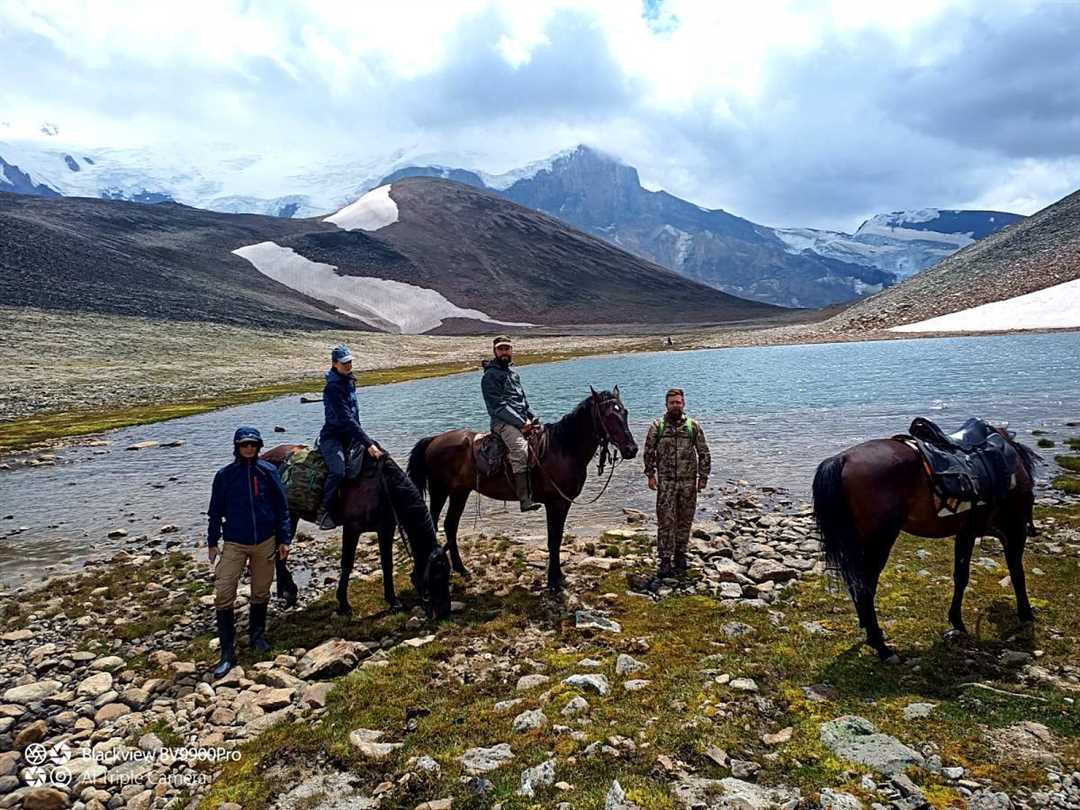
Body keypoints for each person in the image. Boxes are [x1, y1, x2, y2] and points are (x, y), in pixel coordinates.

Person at [207, 426, 292, 679]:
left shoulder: (268, 472)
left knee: (261, 591)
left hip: (266, 541)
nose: (248, 449)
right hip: (234, 542)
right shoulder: (224, 476)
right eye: (244, 445)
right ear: (237, 447)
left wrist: (284, 539)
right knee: (224, 593)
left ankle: (257, 637)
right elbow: (214, 512)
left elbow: (282, 507)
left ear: (258, 447)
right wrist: (212, 542)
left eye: (253, 445)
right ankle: (227, 652)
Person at [642, 389, 711, 579]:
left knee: (685, 521)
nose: (675, 405)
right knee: (665, 521)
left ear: (683, 404)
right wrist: (650, 475)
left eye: (678, 402)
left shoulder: (692, 426)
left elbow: (703, 452)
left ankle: (680, 556)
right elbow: (649, 452)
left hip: (688, 483)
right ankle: (664, 559)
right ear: (666, 405)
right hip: (666, 484)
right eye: (672, 402)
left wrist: (703, 477)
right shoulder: (658, 427)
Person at [316, 344, 384, 530]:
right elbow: (346, 419)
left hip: (352, 437)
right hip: (333, 437)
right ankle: (325, 510)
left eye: (350, 362)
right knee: (338, 471)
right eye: (344, 363)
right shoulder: (332, 388)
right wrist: (367, 443)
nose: (348, 365)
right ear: (334, 364)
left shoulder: (349, 382)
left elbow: (356, 416)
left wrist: (367, 442)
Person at [481, 335, 542, 512]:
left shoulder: (513, 374)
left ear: (511, 350)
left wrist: (534, 417)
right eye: (501, 349)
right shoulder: (490, 376)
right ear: (495, 351)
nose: (504, 352)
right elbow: (497, 406)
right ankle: (524, 500)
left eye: (507, 348)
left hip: (522, 420)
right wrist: (522, 423)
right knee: (520, 450)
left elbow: (522, 401)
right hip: (502, 423)